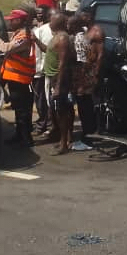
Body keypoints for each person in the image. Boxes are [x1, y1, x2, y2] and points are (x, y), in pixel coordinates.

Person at [0, 9, 35, 147]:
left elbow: (6, 48)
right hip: (15, 78)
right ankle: (19, 136)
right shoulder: (19, 34)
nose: (9, 22)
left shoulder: (24, 36)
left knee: (22, 111)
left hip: (21, 79)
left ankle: (25, 139)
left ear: (19, 20)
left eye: (12, 20)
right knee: (18, 109)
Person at [43, 12, 75, 155]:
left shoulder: (62, 38)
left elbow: (62, 64)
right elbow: (49, 52)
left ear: (58, 23)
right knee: (60, 111)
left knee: (61, 112)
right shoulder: (55, 37)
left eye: (51, 20)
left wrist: (58, 86)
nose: (49, 22)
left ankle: (63, 144)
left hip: (59, 79)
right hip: (54, 78)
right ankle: (65, 139)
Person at [71, 11, 105, 146]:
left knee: (87, 105)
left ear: (89, 17)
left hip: (88, 73)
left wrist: (95, 73)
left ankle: (90, 136)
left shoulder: (96, 31)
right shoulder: (86, 31)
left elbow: (100, 55)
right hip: (84, 72)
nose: (81, 18)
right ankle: (88, 133)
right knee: (83, 104)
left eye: (83, 15)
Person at [31, 7, 53, 136]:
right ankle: (46, 124)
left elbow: (38, 53)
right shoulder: (42, 30)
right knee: (45, 100)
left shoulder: (40, 31)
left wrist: (37, 70)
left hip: (44, 71)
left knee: (44, 100)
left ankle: (45, 125)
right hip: (46, 70)